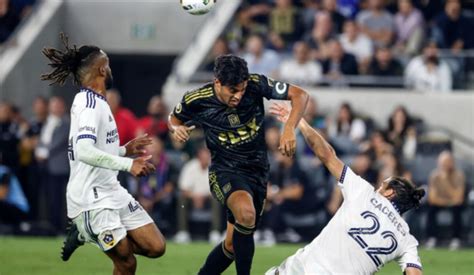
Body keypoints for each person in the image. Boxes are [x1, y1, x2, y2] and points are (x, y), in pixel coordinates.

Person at [168, 54, 308, 275]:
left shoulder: (256, 84)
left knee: (233, 245)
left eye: (242, 89)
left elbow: (300, 95)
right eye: (233, 90)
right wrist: (176, 130)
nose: (239, 96)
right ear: (217, 82)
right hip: (225, 170)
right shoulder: (197, 99)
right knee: (246, 214)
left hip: (258, 172)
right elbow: (173, 119)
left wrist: (289, 128)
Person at [40, 33, 165, 274]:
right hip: (91, 199)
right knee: (126, 262)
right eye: (107, 62)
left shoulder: (99, 102)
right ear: (101, 69)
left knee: (156, 246)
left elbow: (93, 150)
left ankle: (85, 234)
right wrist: (129, 165)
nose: (110, 68)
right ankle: (87, 229)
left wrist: (123, 150)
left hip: (112, 191)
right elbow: (83, 150)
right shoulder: (88, 105)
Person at [267, 102, 424, 275]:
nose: (378, 187)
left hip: (304, 269)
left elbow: (326, 154)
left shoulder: (364, 192)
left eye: (383, 185)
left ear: (390, 192)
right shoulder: (406, 239)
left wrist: (299, 121)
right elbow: (414, 273)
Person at [425, 151, 466, 251]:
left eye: (447, 162)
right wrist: (446, 202)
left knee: (457, 209)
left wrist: (445, 180)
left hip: (455, 203)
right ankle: (432, 238)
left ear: (452, 163)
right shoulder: (434, 176)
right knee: (431, 209)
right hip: (442, 202)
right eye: (443, 162)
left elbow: (458, 198)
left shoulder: (459, 175)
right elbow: (432, 198)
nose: (445, 165)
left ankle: (456, 239)